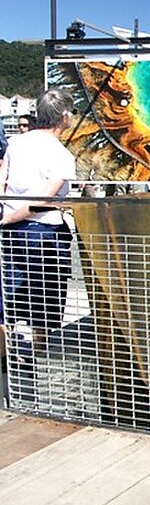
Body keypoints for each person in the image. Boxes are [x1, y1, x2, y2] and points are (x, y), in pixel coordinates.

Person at [0, 88, 77, 345]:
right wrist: (13, 217)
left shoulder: (16, 143)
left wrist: (7, 215)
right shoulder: (62, 155)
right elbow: (44, 200)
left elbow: (2, 179)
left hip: (11, 232)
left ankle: (8, 356)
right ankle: (35, 353)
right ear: (64, 116)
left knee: (9, 296)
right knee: (44, 301)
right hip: (44, 232)